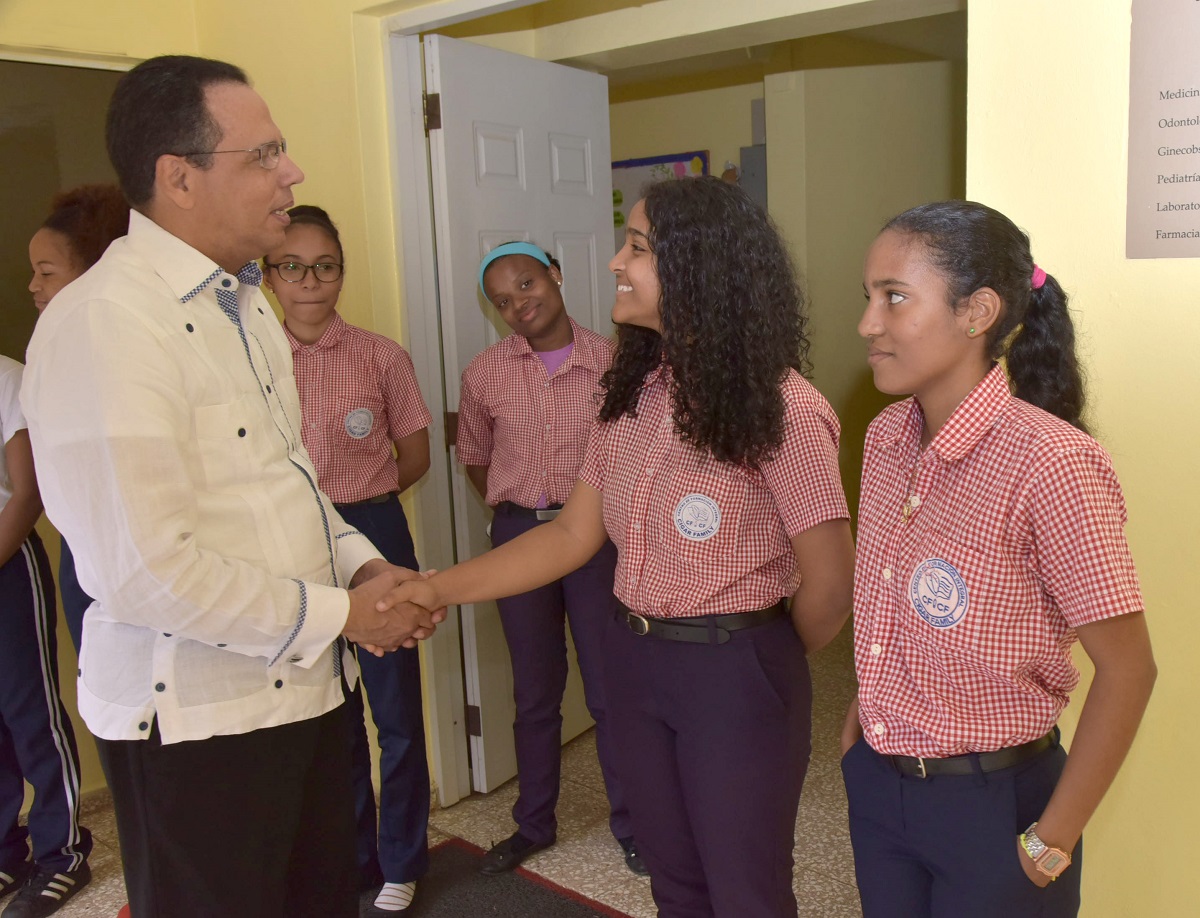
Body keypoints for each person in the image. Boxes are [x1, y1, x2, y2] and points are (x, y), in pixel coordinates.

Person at [20, 55, 438, 918]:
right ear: (178, 178)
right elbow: (145, 572)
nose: (293, 173)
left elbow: (290, 480)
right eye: (265, 155)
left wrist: (362, 569)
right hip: (199, 728)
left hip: (309, 694)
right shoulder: (104, 324)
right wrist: (345, 615)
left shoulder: (246, 305)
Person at [387, 176, 855, 917]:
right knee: (674, 882)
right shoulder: (634, 395)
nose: (614, 263)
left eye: (636, 246)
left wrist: (752, 664)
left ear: (698, 267)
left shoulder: (785, 407)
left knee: (745, 891)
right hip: (635, 661)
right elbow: (572, 534)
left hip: (732, 671)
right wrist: (437, 588)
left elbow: (829, 586)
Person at [843, 200, 1157, 918]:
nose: (867, 324)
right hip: (882, 788)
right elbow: (893, 597)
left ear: (977, 311)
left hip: (994, 809)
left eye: (894, 298)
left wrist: (1053, 838)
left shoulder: (1053, 463)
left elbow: (1129, 668)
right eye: (867, 297)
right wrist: (870, 710)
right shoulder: (888, 436)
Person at [263, 204, 432, 915]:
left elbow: (415, 453)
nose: (310, 282)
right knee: (326, 713)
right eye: (292, 267)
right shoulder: (255, 359)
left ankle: (401, 860)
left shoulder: (380, 355)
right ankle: (353, 853)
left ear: (341, 272)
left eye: (324, 266)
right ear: (269, 275)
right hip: (288, 546)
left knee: (395, 714)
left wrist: (362, 520)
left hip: (373, 534)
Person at [457, 240, 639, 876]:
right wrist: (521, 518)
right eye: (503, 300)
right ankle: (533, 824)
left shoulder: (617, 365)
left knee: (609, 689)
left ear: (556, 276)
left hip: (595, 544)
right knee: (534, 694)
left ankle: (634, 827)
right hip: (519, 539)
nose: (518, 305)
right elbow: (476, 455)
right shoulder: (484, 373)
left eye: (527, 286)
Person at [0, 354, 92, 918]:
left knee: (28, 712)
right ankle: (8, 850)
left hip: (8, 564)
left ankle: (63, 854)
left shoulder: (8, 378)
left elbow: (27, 492)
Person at [28, 183, 130, 653]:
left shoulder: (131, 353)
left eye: (46, 272)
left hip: (135, 545)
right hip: (83, 546)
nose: (33, 286)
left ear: (93, 272)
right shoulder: (51, 355)